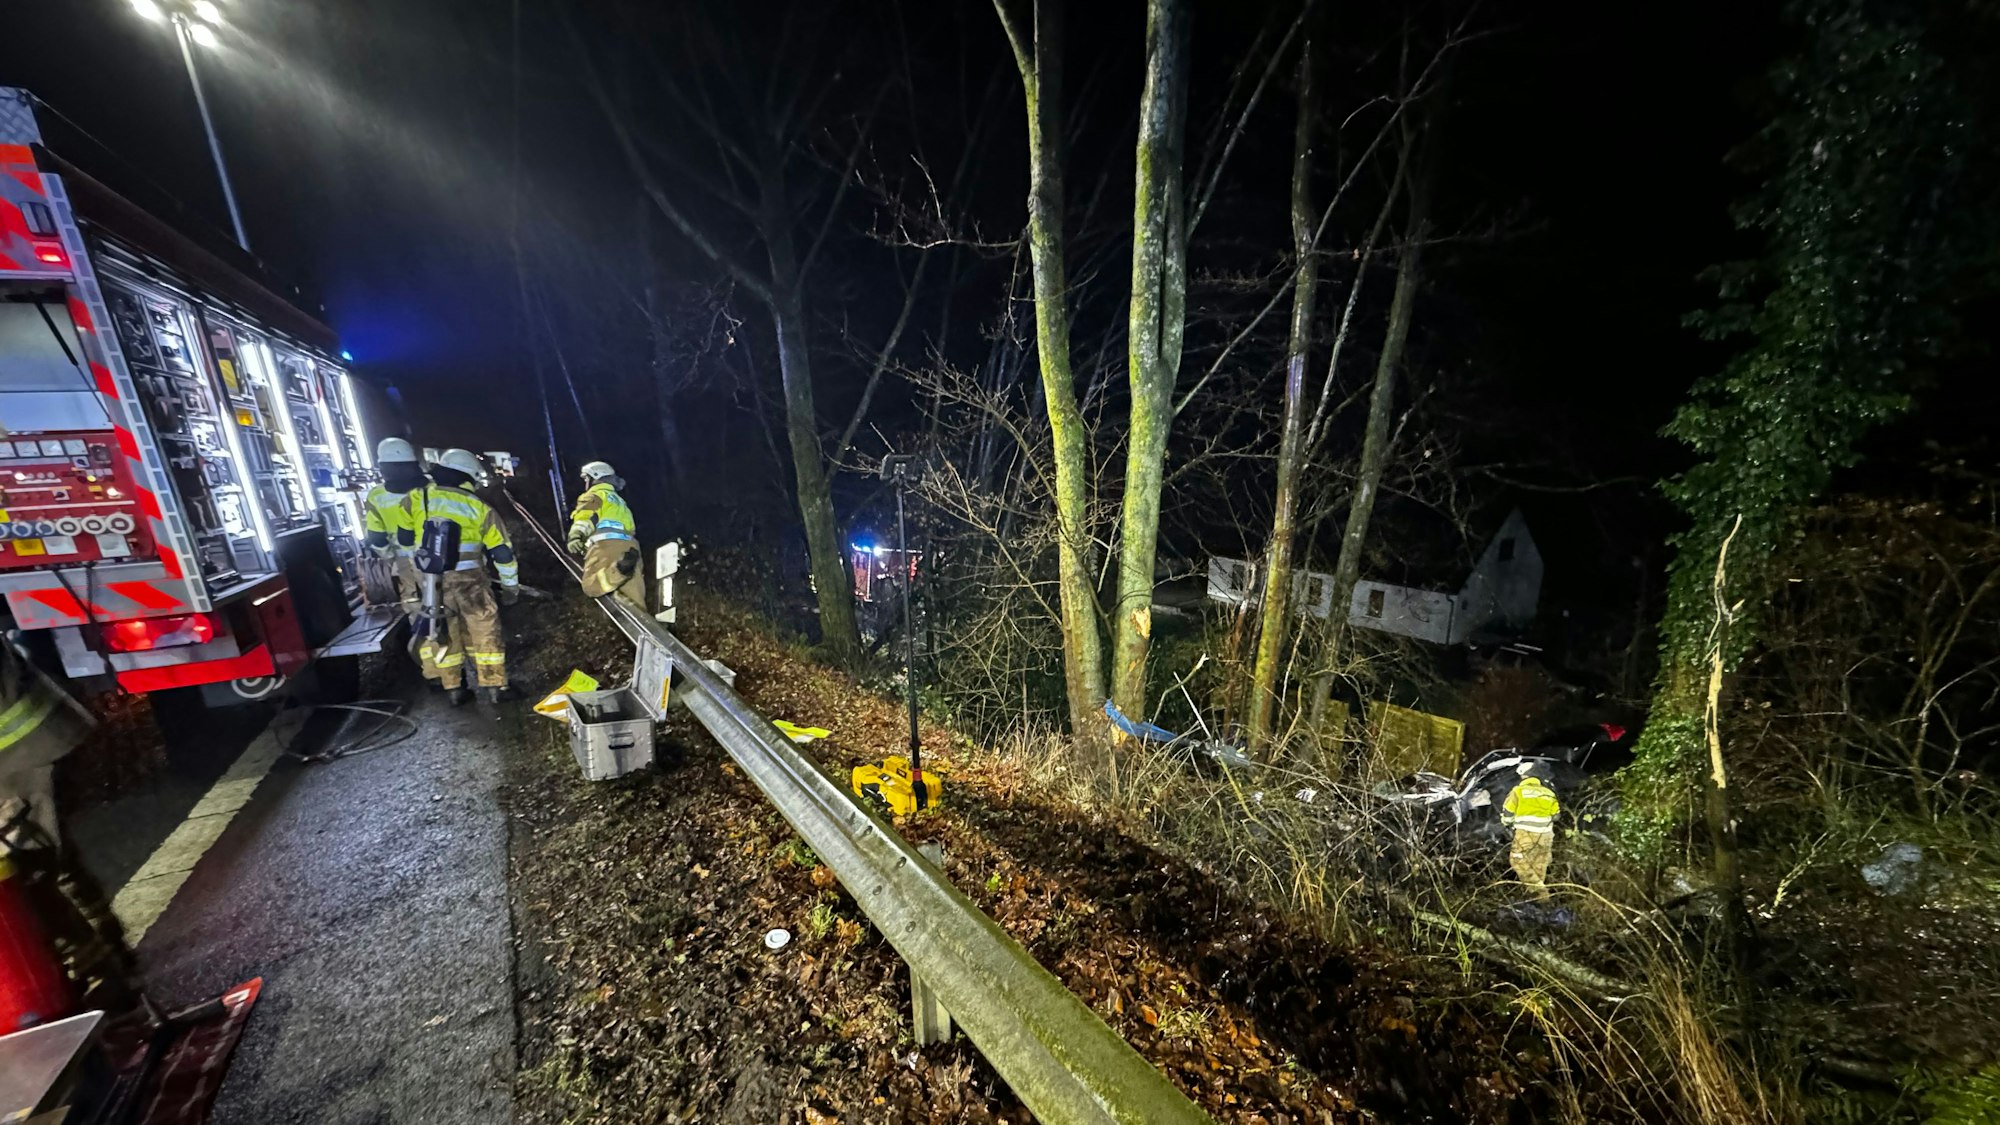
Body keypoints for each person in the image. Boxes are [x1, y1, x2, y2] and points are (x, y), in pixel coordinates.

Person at [395, 448, 520, 707]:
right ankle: (495, 687)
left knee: (441, 631)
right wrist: (510, 586)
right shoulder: (479, 507)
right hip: (470, 579)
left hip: (432, 581)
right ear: (468, 477)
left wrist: (418, 573)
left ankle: (454, 688)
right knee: (484, 627)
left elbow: (405, 540)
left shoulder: (414, 499)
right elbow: (502, 553)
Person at [362, 438, 444, 683]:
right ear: (413, 462)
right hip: (437, 559)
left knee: (418, 614)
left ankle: (433, 674)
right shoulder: (432, 488)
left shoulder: (376, 496)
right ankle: (454, 672)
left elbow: (376, 537)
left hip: (406, 564)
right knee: (445, 609)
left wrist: (393, 558)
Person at [566, 461, 646, 612]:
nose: (585, 483)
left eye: (586, 479)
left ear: (595, 476)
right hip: (631, 549)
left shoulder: (595, 494)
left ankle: (619, 570)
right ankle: (650, 632)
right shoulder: (619, 501)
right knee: (635, 603)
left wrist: (576, 536)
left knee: (591, 586)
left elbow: (586, 516)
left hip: (605, 547)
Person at [1501, 772, 1561, 900]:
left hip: (1526, 833)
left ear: (1523, 778)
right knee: (1538, 866)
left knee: (1517, 861)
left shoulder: (1518, 791)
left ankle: (1541, 892)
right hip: (1546, 834)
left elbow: (1508, 811)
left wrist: (1507, 822)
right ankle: (1538, 901)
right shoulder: (1548, 793)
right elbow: (1556, 816)